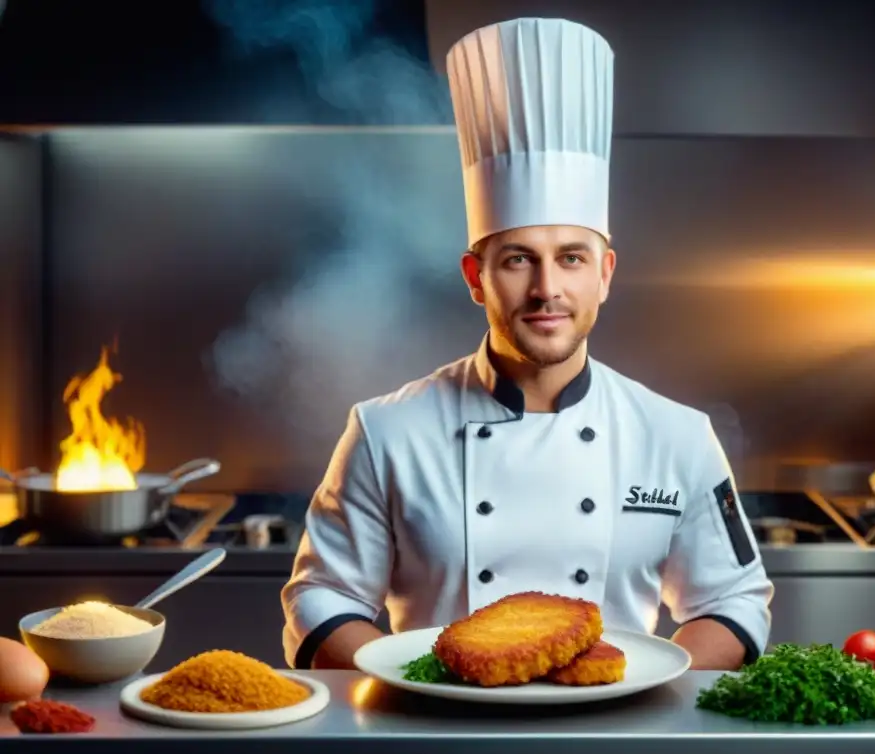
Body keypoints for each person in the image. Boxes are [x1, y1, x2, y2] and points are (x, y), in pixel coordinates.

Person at [281, 17, 774, 672]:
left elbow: (735, 601)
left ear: (604, 275)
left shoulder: (677, 437)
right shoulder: (385, 432)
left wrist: (651, 690)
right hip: (436, 745)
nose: (547, 288)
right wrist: (417, 688)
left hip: (615, 741)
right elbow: (321, 597)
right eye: (518, 259)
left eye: (571, 259)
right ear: (475, 279)